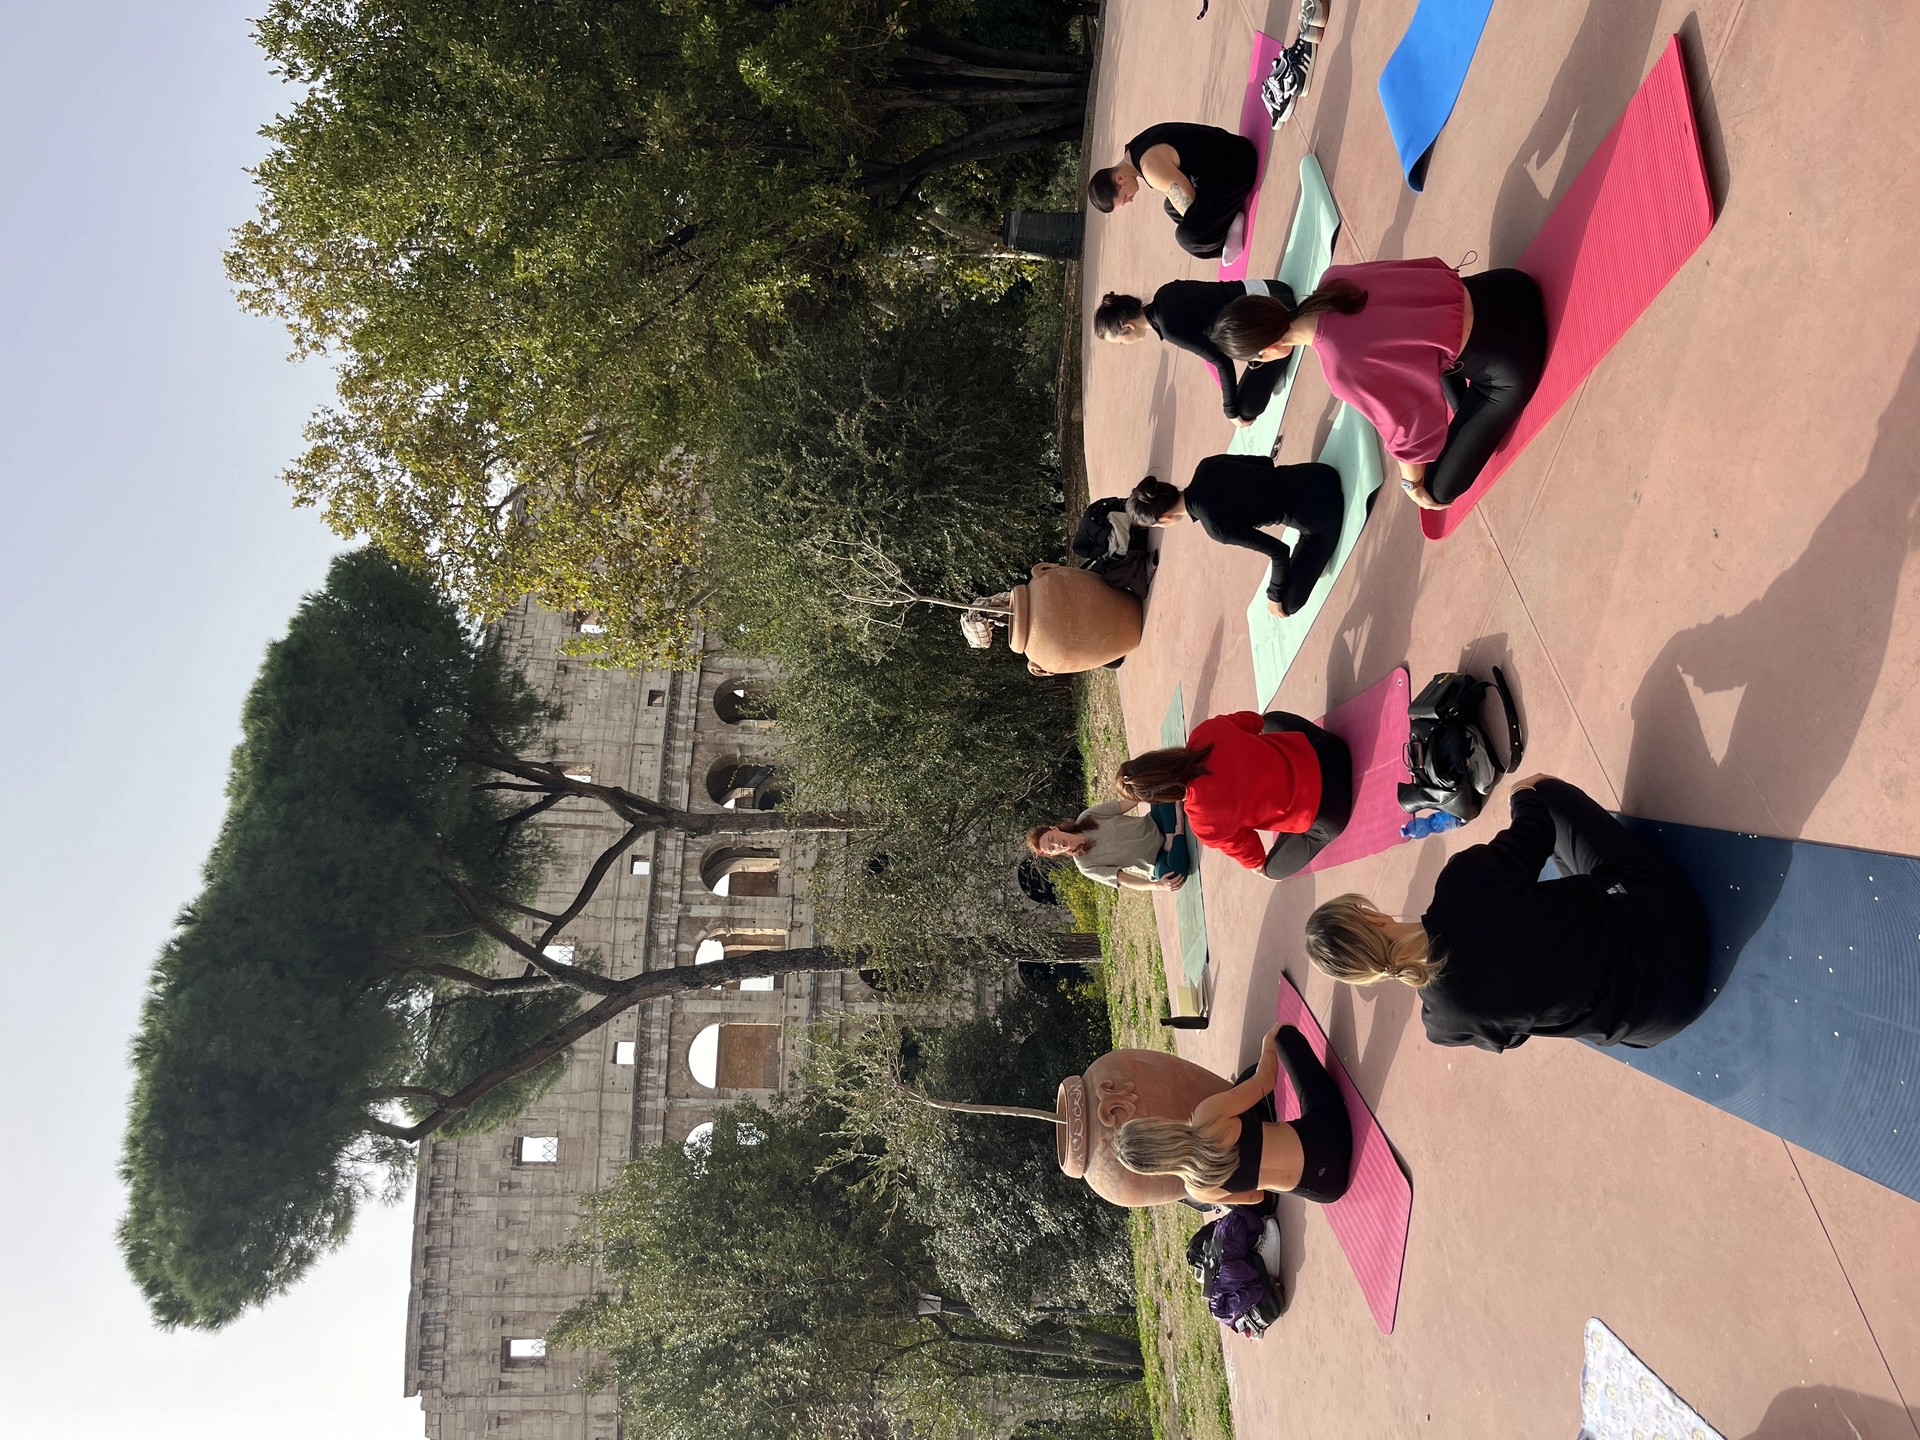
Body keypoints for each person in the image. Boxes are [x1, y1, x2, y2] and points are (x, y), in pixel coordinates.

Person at [1302, 776, 1711, 1051]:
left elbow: (1514, 1034)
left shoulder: (1442, 1026)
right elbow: (1537, 824)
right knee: (1543, 791)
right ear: (1374, 919)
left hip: (1659, 1019)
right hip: (1673, 923)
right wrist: (1520, 792)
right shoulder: (1462, 885)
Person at [1209, 259, 1546, 509]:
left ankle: (1473, 397)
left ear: (1269, 350)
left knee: (1437, 489)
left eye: (1255, 361)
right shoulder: (1334, 279)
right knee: (1406, 351)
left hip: (1513, 357)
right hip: (1507, 285)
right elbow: (1427, 270)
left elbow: (1413, 433)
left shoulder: (1340, 368)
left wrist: (1411, 484)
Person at [1112, 1022, 1352, 1205]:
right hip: (1331, 1134)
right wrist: (1269, 1041)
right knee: (1285, 1037)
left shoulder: (1198, 1190)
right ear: (1157, 1126)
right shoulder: (1207, 1116)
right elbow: (1266, 1080)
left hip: (1327, 1187)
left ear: (1156, 1168)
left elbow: (1256, 1197)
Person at [1116, 709, 1352, 880]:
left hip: (1330, 810)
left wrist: (1260, 868)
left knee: (1272, 871)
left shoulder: (1203, 822)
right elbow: (1254, 720)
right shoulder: (1204, 733)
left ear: (1159, 798)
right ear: (1157, 756)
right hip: (1329, 749)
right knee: (1270, 720)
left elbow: (1254, 857)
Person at [1126, 458, 1342, 617]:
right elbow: (1265, 463)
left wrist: (1273, 596)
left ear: (1164, 518)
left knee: (1288, 603)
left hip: (1321, 515)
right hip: (1320, 473)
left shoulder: (1215, 527)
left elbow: (1279, 552)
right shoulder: (1205, 467)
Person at [1093, 281, 1297, 427]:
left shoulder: (1168, 327)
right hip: (1275, 290)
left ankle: (1279, 355)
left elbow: (1221, 360)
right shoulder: (1165, 292)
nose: (1124, 345)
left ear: (1128, 327)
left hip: (1274, 320)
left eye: (1120, 342)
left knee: (1245, 410)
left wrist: (1230, 411)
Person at [1088, 121, 1259, 261]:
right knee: (1170, 207)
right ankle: (1228, 222)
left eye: (1125, 198)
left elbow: (1191, 208)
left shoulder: (1151, 169)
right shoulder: (1134, 149)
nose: (1130, 200)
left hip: (1237, 169)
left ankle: (1228, 232)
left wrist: (1202, 226)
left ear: (1120, 179)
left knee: (1188, 237)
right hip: (1231, 151)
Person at [1026, 798, 1190, 892]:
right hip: (1158, 859)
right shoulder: (1086, 866)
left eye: (1051, 838)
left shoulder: (1087, 817)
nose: (1056, 844)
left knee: (1163, 793)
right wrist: (1157, 886)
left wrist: (1150, 786)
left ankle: (1173, 838)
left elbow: (1130, 801)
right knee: (1173, 876)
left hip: (1156, 823)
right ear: (1054, 854)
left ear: (1054, 829)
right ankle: (1178, 827)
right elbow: (1126, 880)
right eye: (1052, 848)